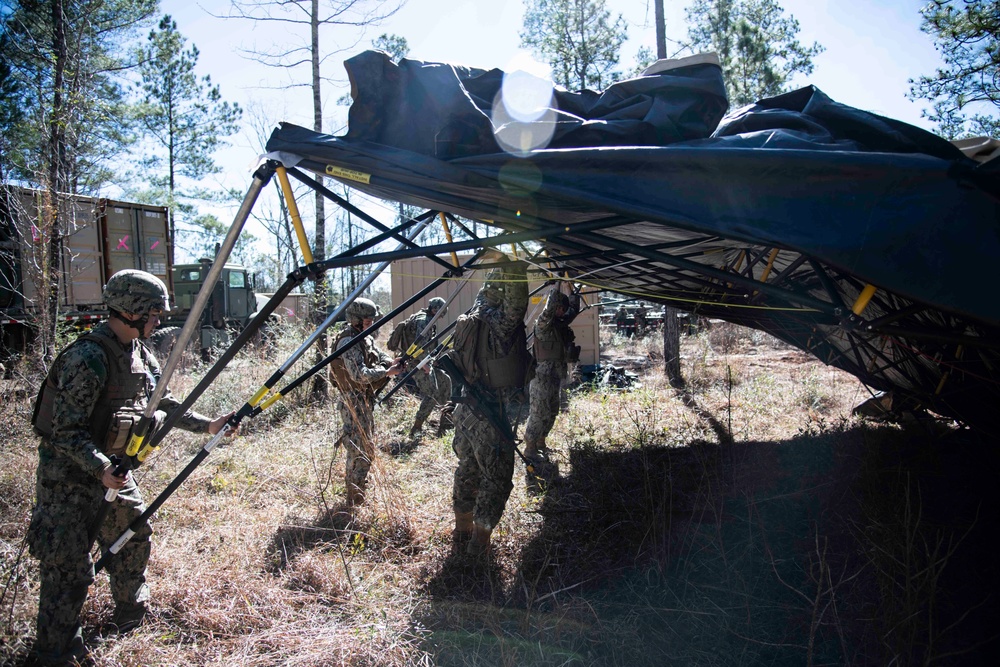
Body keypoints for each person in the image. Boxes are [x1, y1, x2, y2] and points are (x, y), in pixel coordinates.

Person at [27, 269, 234, 667]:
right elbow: (63, 432)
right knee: (68, 568)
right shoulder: (87, 358)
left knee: (133, 535)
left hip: (114, 474)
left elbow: (164, 404)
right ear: (131, 310)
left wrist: (208, 425)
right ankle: (55, 652)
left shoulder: (141, 354)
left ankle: (129, 613)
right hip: (68, 479)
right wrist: (100, 466)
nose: (158, 321)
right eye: (154, 314)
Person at [449, 252, 528, 555]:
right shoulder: (499, 323)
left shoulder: (471, 318)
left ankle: (461, 530)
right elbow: (517, 305)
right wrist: (515, 267)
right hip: (487, 412)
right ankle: (477, 547)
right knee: (497, 478)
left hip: (465, 410)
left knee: (468, 468)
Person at [329, 297, 402, 507]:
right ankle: (354, 498)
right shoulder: (347, 341)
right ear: (356, 320)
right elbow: (359, 375)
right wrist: (386, 372)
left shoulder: (364, 337)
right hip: (353, 400)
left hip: (364, 399)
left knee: (366, 447)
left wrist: (392, 362)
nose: (372, 326)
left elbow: (379, 355)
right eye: (368, 322)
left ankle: (358, 491)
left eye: (372, 321)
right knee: (358, 449)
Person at [523, 284, 581, 462]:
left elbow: (573, 311)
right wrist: (555, 290)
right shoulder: (543, 324)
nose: (564, 312)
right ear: (555, 308)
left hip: (555, 377)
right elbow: (549, 310)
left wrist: (574, 294)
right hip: (541, 378)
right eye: (561, 309)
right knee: (539, 412)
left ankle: (541, 442)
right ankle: (530, 448)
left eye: (564, 309)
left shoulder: (560, 323)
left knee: (552, 411)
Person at [387, 297, 453, 439]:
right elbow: (419, 346)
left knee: (445, 380)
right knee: (432, 394)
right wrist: (425, 365)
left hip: (420, 361)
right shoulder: (424, 321)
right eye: (441, 312)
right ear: (435, 309)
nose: (441, 316)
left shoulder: (420, 317)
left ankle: (446, 424)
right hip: (416, 362)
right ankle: (416, 428)